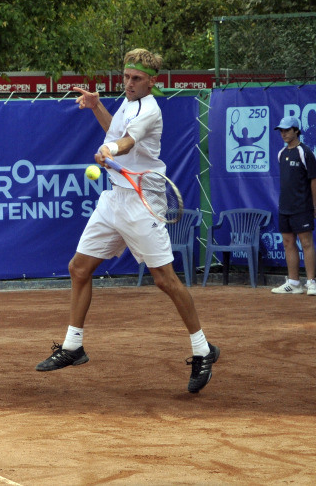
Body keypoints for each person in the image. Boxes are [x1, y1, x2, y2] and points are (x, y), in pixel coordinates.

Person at [35, 48, 219, 393]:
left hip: (143, 202)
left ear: (152, 81)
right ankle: (73, 346)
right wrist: (97, 107)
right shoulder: (127, 102)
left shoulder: (150, 109)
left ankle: (202, 349)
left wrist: (110, 151)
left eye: (136, 79)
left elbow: (127, 142)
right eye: (126, 77)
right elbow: (115, 131)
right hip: (115, 198)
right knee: (79, 268)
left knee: (165, 280)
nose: (129, 83)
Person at [270, 116, 316, 295]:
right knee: (288, 242)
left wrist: (314, 205)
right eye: (281, 131)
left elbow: (313, 180)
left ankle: (311, 282)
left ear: (296, 130)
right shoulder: (281, 154)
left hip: (302, 206)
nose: (283, 134)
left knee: (306, 243)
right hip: (285, 207)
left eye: (287, 130)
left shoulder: (305, 152)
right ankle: (294, 282)